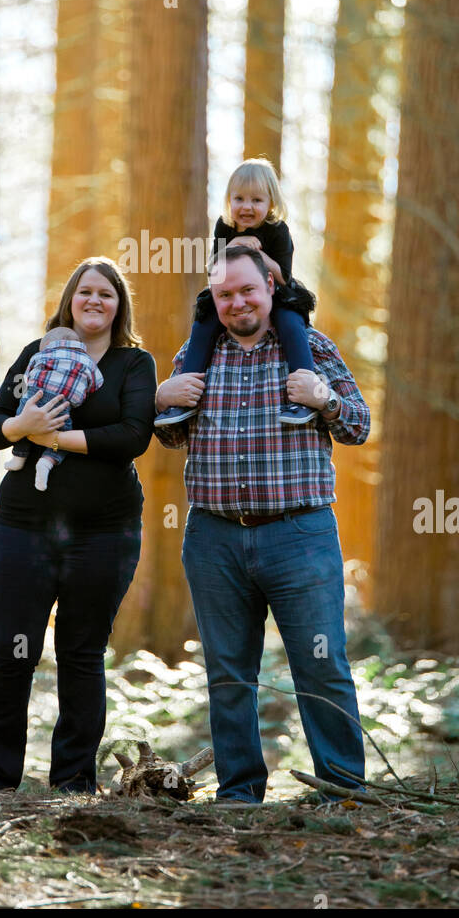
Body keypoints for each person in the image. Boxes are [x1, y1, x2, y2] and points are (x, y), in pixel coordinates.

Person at [154, 243, 369, 806]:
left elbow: (359, 426)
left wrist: (324, 399)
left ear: (271, 287)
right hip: (214, 536)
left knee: (321, 665)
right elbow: (172, 433)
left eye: (247, 290)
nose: (237, 302)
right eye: (224, 294)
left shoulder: (311, 347)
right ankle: (240, 792)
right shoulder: (197, 355)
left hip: (299, 534)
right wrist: (162, 400)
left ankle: (342, 790)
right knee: (227, 672)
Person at [0, 258, 157, 794]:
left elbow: (131, 436)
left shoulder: (133, 364)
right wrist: (19, 425)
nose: (95, 301)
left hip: (104, 532)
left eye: (106, 293)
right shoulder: (37, 353)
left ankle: (74, 780)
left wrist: (49, 439)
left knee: (82, 652)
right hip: (23, 527)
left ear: (120, 304)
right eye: (85, 292)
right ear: (69, 300)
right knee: (12, 650)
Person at [154, 156, 319, 429]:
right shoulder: (225, 227)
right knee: (203, 325)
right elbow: (213, 270)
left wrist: (259, 256)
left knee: (291, 326)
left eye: (256, 200)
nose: (247, 207)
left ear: (271, 203)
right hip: (230, 294)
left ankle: (303, 397)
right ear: (229, 200)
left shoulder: (278, 231)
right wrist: (236, 244)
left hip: (276, 295)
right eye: (239, 199)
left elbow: (283, 276)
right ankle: (183, 397)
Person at [4, 325, 104, 490]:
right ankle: (47, 461)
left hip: (34, 399)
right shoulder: (88, 360)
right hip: (62, 406)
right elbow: (97, 383)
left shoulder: (40, 354)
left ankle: (18, 456)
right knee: (62, 440)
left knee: (22, 422)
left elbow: (28, 374)